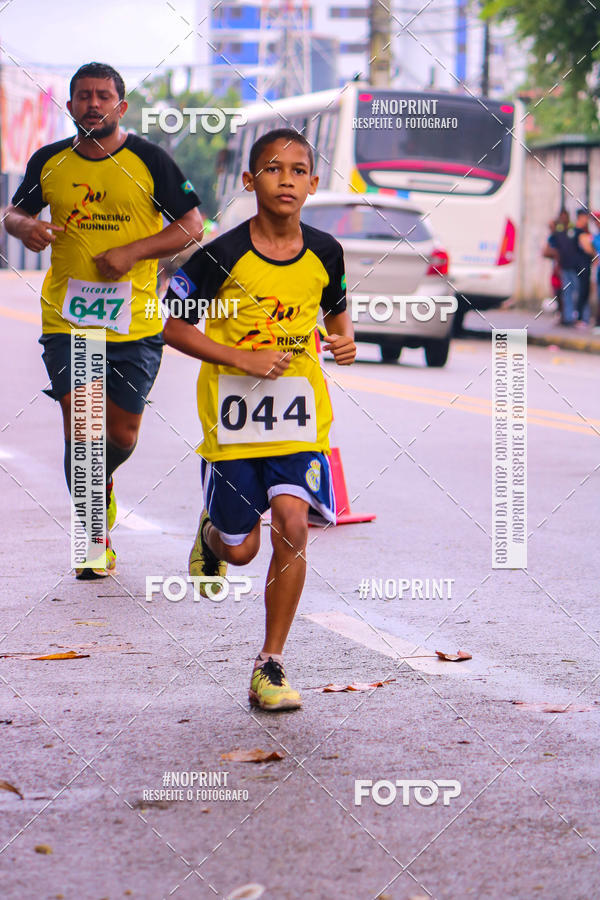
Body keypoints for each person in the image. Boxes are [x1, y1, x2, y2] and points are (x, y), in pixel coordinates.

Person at [162, 128, 356, 711]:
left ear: (314, 184)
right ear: (250, 181)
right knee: (241, 551)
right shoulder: (221, 255)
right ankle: (212, 534)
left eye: (299, 170)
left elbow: (339, 317)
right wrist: (241, 357)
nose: (287, 180)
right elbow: (170, 324)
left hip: (300, 421)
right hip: (234, 425)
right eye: (273, 169)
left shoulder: (326, 251)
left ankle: (269, 664)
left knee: (293, 522)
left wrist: (344, 344)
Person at [4, 61, 203, 578]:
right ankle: (93, 539)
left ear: (121, 106)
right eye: (84, 96)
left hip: (134, 324)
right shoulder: (49, 160)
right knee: (86, 430)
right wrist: (27, 227)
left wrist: (134, 252)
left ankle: (101, 486)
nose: (94, 104)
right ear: (69, 107)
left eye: (104, 95)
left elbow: (192, 226)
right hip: (68, 322)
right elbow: (13, 212)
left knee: (122, 437)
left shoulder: (150, 160)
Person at [543, 208, 579, 325]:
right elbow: (546, 251)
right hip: (561, 268)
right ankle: (566, 317)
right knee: (562, 293)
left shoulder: (572, 231)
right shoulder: (557, 233)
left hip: (573, 267)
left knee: (574, 292)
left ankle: (572, 316)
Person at [573, 208, 594, 327]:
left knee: (584, 291)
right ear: (581, 217)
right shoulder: (580, 232)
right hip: (582, 266)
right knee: (582, 291)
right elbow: (588, 249)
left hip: (582, 265)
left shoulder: (579, 231)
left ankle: (583, 317)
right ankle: (580, 318)